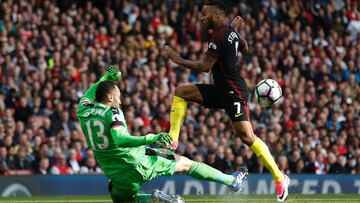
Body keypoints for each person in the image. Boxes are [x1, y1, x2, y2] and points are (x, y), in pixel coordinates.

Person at [162, 0, 290, 202]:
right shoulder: (228, 32)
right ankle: (172, 139)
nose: (201, 17)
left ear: (217, 14)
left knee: (247, 137)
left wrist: (179, 60)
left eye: (205, 13)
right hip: (221, 90)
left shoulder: (218, 36)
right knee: (181, 92)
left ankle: (279, 177)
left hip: (233, 92)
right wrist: (235, 33)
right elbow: (245, 48)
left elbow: (205, 67)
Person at [76, 65, 248, 203]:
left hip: (115, 175)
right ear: (110, 98)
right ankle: (232, 181)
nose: (120, 101)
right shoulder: (112, 112)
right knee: (186, 164)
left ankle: (155, 199)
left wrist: (105, 78)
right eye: (118, 96)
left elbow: (88, 94)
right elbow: (119, 139)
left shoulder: (83, 110)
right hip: (139, 163)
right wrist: (152, 137)